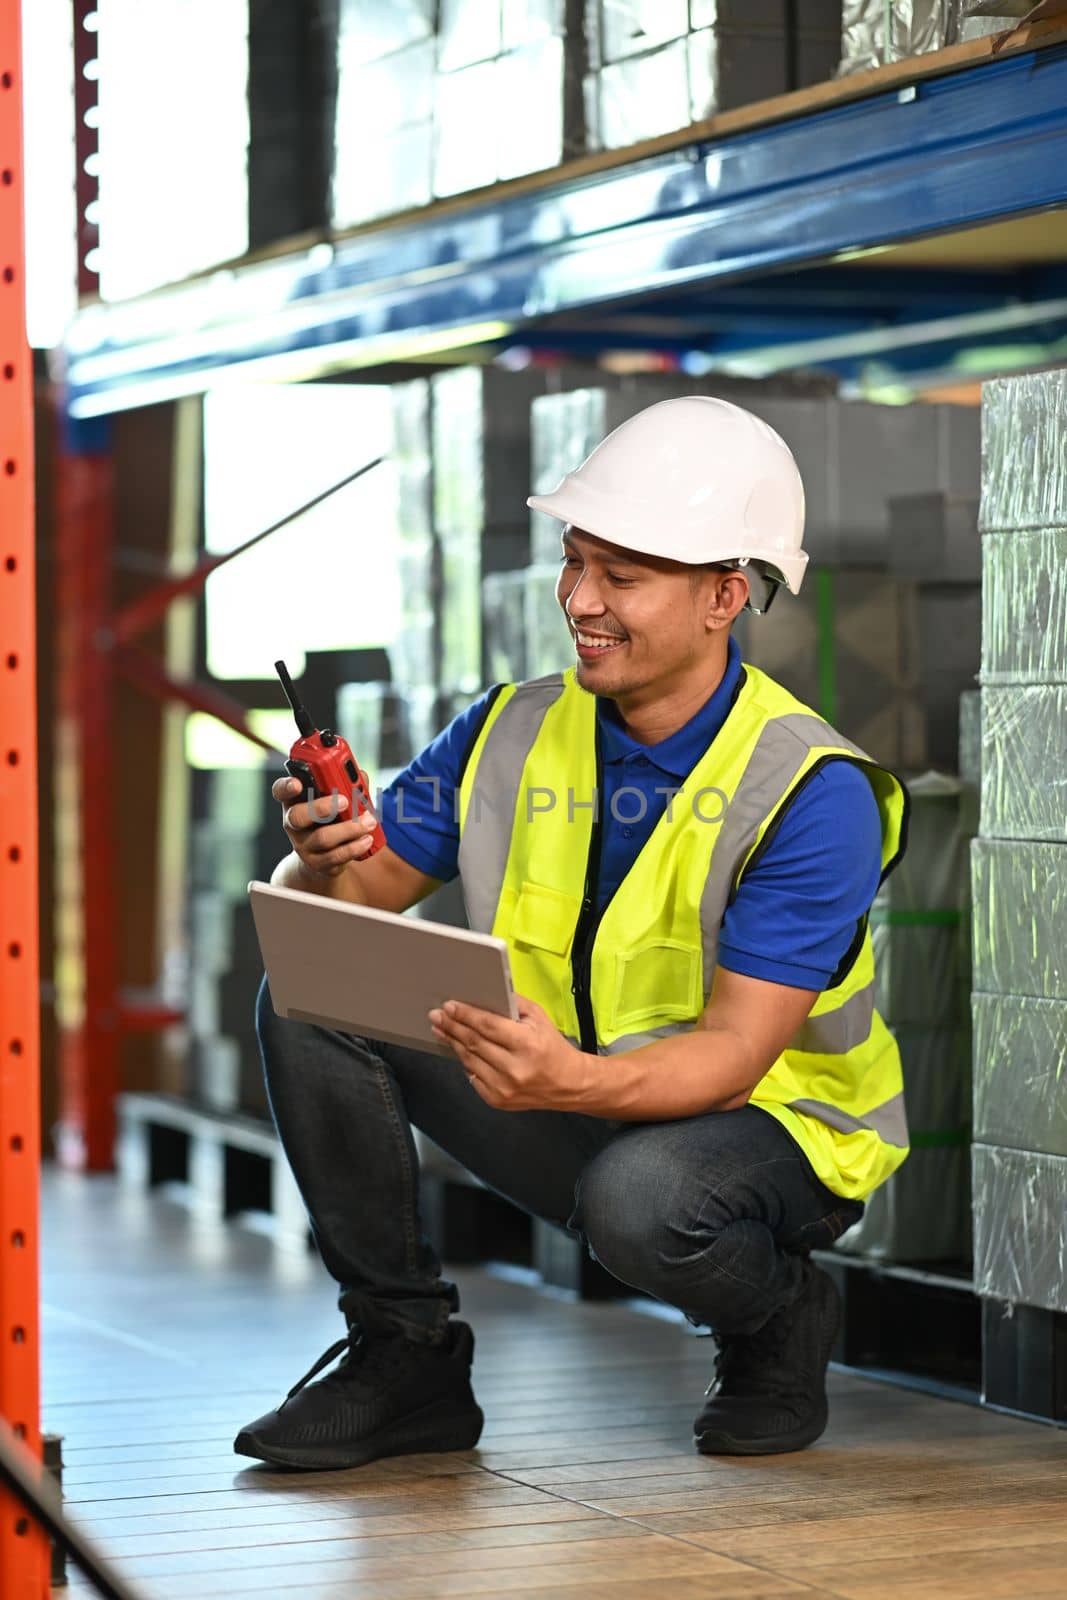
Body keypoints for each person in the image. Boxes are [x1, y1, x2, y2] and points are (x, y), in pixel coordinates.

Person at [235, 396, 909, 1472]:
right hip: (570, 1086)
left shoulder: (806, 789)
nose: (579, 602)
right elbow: (335, 921)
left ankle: (775, 1311)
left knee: (640, 1200)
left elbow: (736, 1056)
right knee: (308, 993)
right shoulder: (507, 726)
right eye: (573, 563)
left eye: (620, 576)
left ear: (723, 597)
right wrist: (319, 858)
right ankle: (403, 1352)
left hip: (769, 1135)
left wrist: (566, 1082)